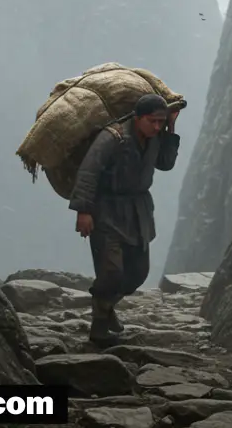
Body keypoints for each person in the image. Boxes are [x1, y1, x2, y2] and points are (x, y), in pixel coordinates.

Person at [68, 93, 181, 344]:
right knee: (111, 271)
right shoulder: (113, 137)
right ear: (138, 117)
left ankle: (106, 308)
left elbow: (166, 163)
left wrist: (171, 129)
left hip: (138, 211)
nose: (156, 126)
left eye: (160, 122)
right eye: (152, 121)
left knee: (138, 272)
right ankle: (98, 329)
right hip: (106, 210)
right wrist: (83, 211)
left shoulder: (156, 137)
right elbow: (89, 171)